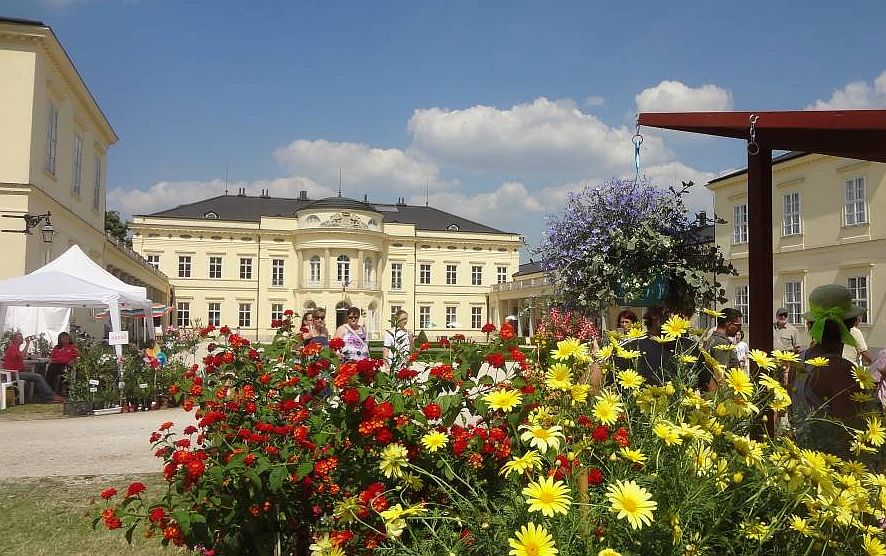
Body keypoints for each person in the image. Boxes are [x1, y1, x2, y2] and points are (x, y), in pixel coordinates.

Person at [790, 284, 865, 457]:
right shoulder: (842, 370)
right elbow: (849, 434)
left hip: (801, 461)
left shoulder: (799, 361)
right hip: (832, 469)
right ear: (851, 325)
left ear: (810, 324)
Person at [2, 332, 64, 403]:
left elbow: (15, 361)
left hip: (17, 372)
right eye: (19, 337)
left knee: (37, 375)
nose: (22, 338)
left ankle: (42, 396)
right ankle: (51, 396)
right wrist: (27, 344)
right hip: (13, 374)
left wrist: (25, 367)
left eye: (21, 336)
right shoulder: (12, 348)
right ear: (14, 340)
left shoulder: (15, 348)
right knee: (38, 377)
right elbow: (22, 356)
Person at [703, 308, 743, 388]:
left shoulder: (712, 339)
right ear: (728, 324)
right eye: (738, 326)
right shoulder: (721, 343)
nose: (739, 330)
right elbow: (719, 376)